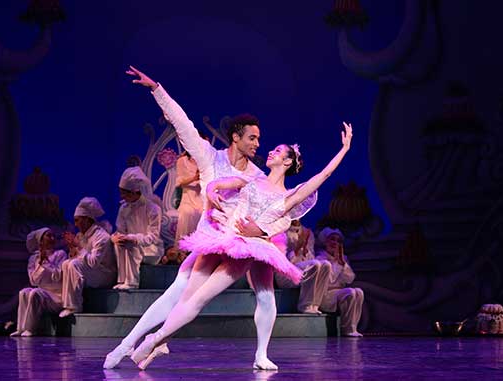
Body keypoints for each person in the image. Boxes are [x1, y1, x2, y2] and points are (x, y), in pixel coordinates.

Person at [104, 66, 291, 370]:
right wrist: (157, 90)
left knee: (261, 294)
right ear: (235, 137)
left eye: (259, 139)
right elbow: (183, 125)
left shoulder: (257, 176)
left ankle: (259, 353)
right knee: (174, 294)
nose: (258, 144)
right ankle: (127, 344)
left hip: (234, 246)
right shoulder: (209, 158)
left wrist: (262, 232)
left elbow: (272, 210)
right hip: (208, 242)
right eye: (252, 138)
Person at [131, 124, 353, 370]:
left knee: (264, 298)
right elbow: (219, 183)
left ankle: (260, 354)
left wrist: (344, 150)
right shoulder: (253, 179)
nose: (270, 152)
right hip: (230, 239)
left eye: (278, 151)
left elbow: (322, 177)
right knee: (196, 297)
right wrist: (213, 190)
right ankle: (157, 340)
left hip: (255, 248)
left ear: (288, 162)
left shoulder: (289, 196)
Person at [59, 197, 116, 318]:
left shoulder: (101, 236)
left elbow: (93, 262)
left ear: (87, 220)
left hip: (104, 274)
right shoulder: (81, 236)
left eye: (77, 220)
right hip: (92, 271)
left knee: (73, 264)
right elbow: (77, 257)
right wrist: (72, 248)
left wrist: (78, 247)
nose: (75, 224)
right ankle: (67, 303)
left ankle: (74, 305)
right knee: (66, 263)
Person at [112, 166, 164, 289]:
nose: (122, 196)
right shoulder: (124, 208)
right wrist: (115, 238)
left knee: (130, 244)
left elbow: (153, 237)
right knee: (119, 243)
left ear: (135, 192)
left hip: (151, 249)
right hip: (131, 246)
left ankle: (131, 282)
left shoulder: (153, 209)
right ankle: (122, 279)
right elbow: (120, 231)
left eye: (124, 192)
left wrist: (134, 238)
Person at [11, 227, 68, 337]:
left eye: (53, 236)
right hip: (43, 293)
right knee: (23, 292)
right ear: (40, 241)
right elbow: (33, 281)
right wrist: (40, 263)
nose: (52, 238)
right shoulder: (34, 259)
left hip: (57, 296)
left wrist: (46, 263)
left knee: (35, 293)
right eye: (48, 236)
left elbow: (57, 276)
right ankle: (20, 328)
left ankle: (30, 329)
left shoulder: (60, 254)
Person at [274, 219, 332, 314]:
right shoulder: (281, 231)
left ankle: (315, 304)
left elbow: (311, 259)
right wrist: (296, 251)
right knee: (315, 264)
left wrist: (305, 250)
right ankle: (305, 305)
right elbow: (280, 261)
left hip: (301, 270)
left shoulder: (307, 232)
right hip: (285, 272)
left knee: (326, 264)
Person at [315, 227, 364, 337]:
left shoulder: (343, 259)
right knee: (350, 292)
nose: (335, 243)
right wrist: (338, 264)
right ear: (325, 241)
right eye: (332, 239)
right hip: (325, 295)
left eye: (338, 241)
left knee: (359, 291)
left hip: (339, 294)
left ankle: (353, 328)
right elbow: (330, 280)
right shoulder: (320, 258)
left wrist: (342, 263)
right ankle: (346, 329)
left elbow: (350, 279)